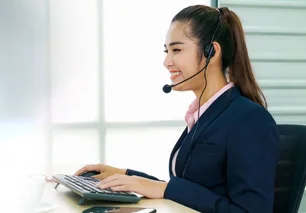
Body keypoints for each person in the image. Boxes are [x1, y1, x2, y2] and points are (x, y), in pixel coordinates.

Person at [74, 5, 279, 213]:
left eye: (177, 50)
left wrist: (164, 188)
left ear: (211, 52)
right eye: (167, 51)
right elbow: (189, 189)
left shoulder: (249, 119)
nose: (167, 62)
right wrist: (125, 175)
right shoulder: (203, 114)